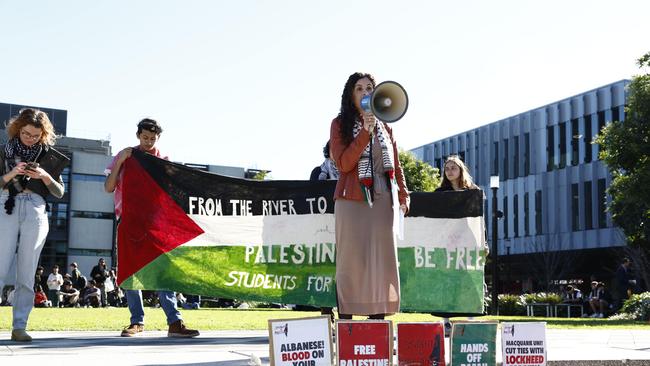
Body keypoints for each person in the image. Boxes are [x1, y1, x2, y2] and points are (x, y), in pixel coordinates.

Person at [104, 118, 199, 338]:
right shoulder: (125, 156)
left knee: (164, 271)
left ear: (158, 138)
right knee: (130, 270)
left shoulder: (163, 161)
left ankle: (175, 322)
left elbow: (170, 194)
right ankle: (136, 321)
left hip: (156, 225)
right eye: (145, 137)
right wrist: (121, 161)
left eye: (152, 138)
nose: (148, 142)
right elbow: (109, 188)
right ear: (138, 135)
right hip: (128, 221)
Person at [329, 72, 409, 320]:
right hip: (352, 199)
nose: (365, 92)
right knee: (351, 262)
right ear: (351, 95)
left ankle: (377, 319)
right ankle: (347, 320)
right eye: (359, 88)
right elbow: (343, 164)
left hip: (384, 200)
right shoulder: (339, 124)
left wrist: (404, 195)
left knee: (381, 260)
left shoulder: (386, 127)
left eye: (369, 88)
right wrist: (364, 131)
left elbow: (395, 165)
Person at [0, 108, 65, 342]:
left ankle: (19, 326)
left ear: (43, 134)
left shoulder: (49, 155)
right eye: (26, 133)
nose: (30, 138)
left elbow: (59, 192)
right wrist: (11, 174)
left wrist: (45, 177)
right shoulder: (4, 151)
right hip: (6, 203)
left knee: (27, 272)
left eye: (35, 135)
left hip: (36, 208)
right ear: (18, 129)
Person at [431, 155, 481, 333]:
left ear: (461, 170)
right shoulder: (439, 193)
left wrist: (484, 243)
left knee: (468, 279)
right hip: (446, 241)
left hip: (467, 240)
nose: (450, 171)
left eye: (454, 168)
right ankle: (445, 322)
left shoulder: (473, 192)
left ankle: (471, 319)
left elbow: (479, 221)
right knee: (447, 280)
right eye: (447, 168)